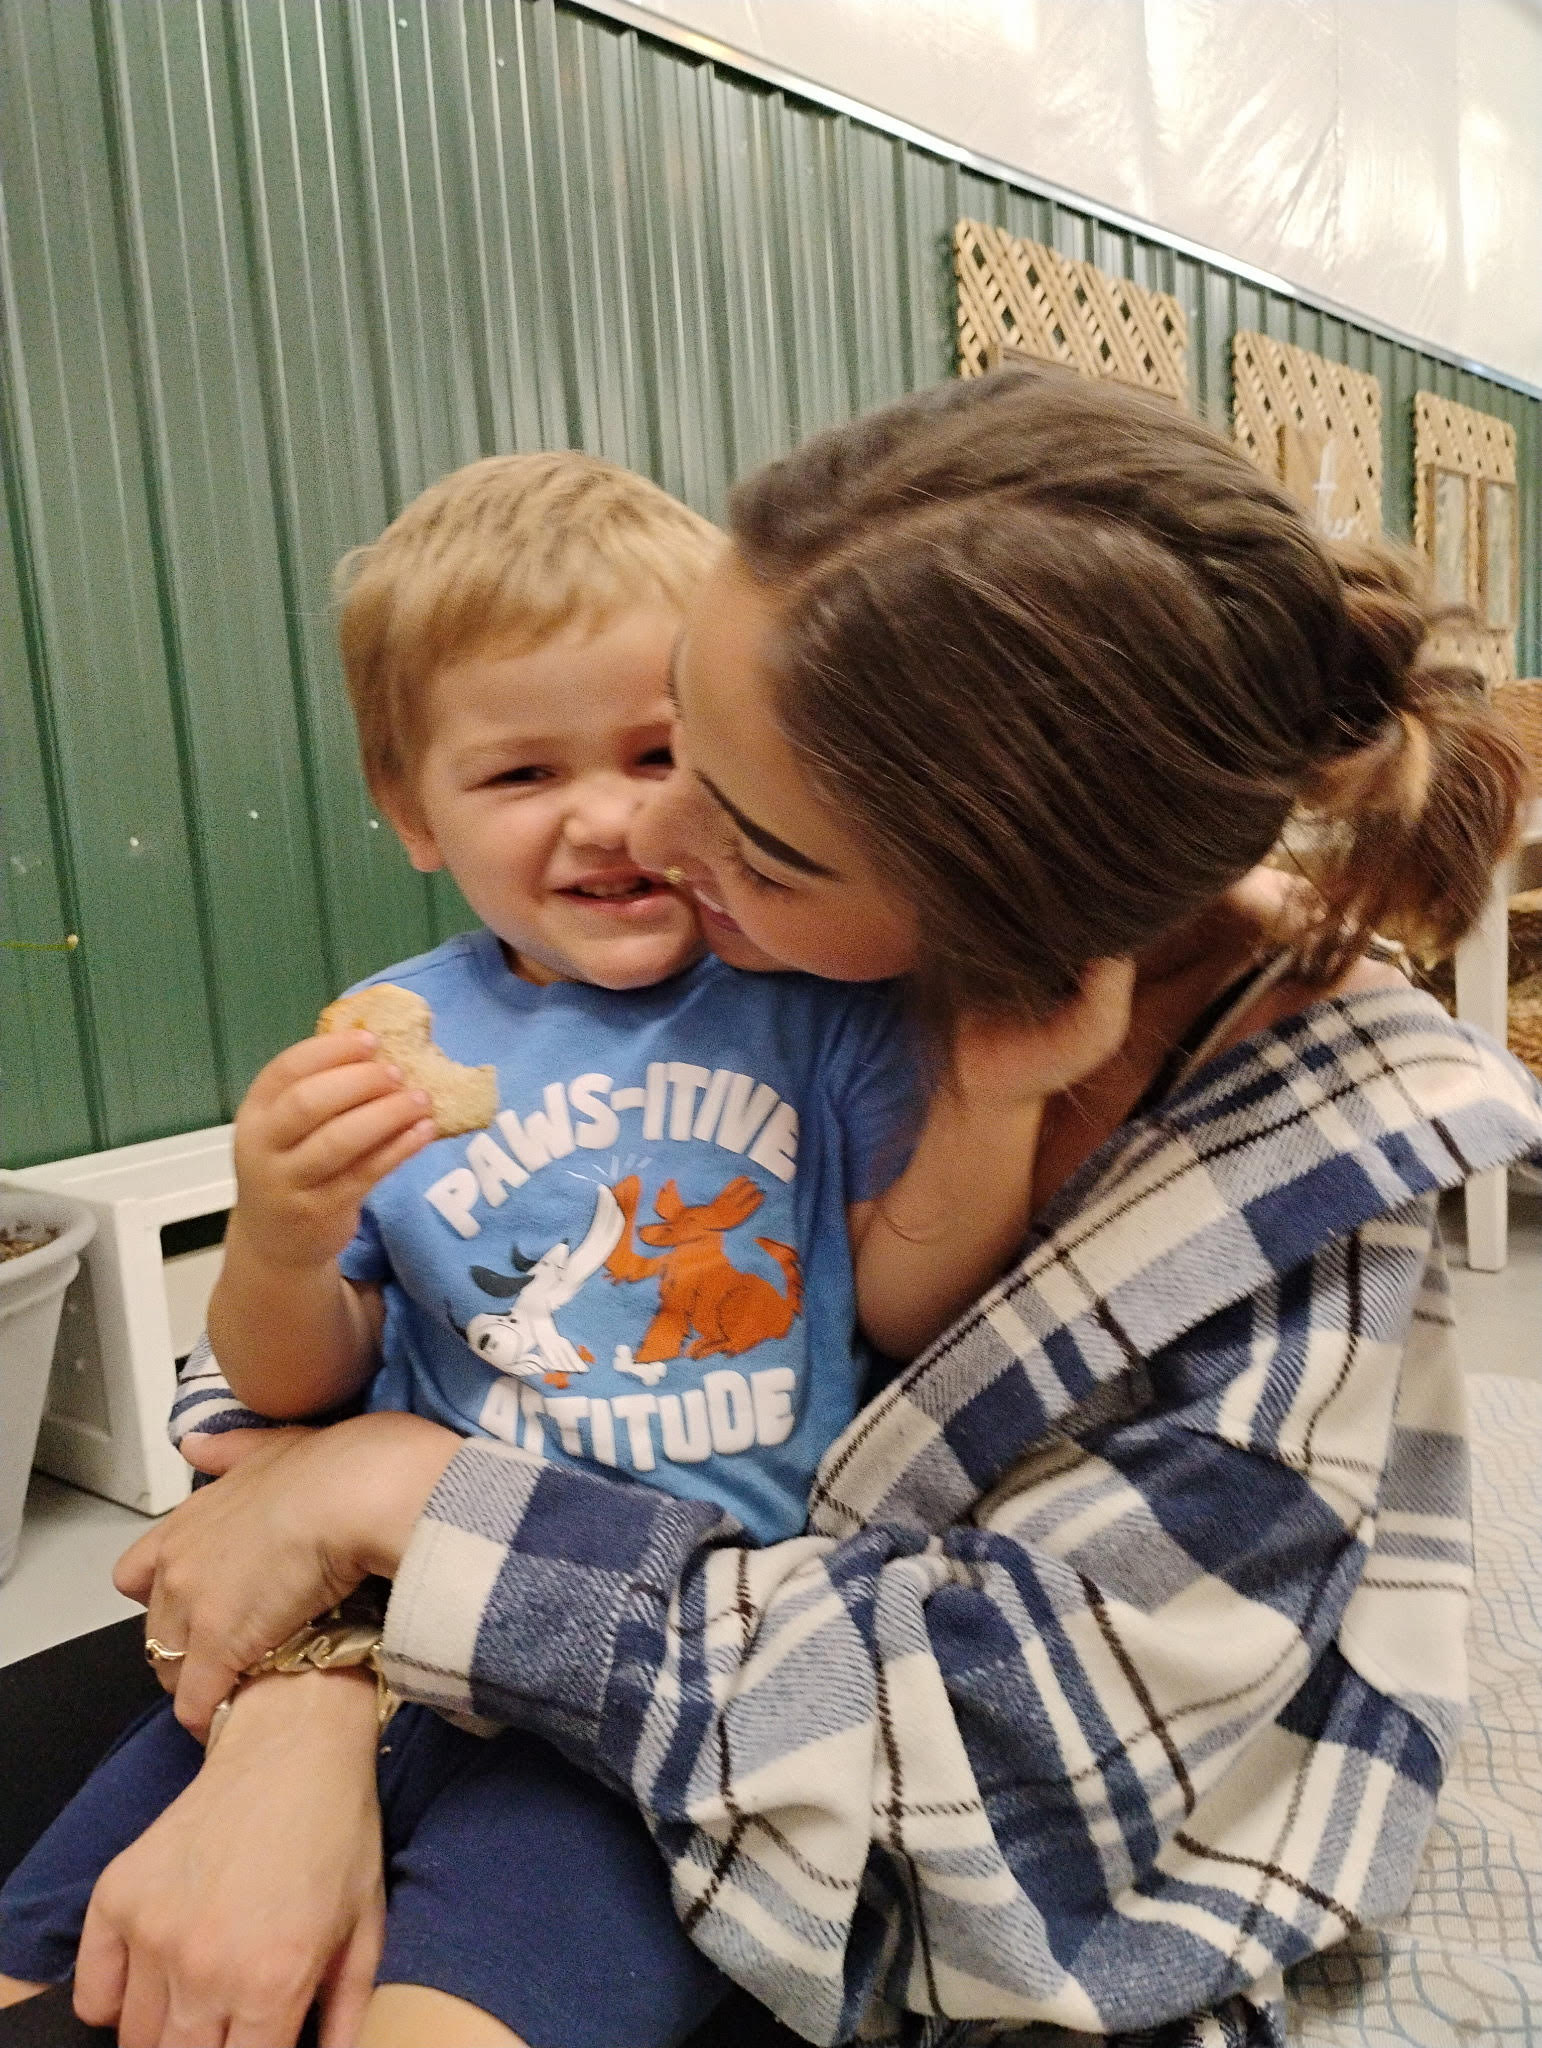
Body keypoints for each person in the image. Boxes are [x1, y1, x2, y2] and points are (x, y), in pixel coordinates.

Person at [23, 369, 1542, 2048]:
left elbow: (1004, 1736)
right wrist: (306, 1692)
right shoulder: (614, 978)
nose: (646, 834)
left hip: (713, 1757)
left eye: (739, 823)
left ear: (985, 916)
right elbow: (299, 1402)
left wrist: (393, 1498)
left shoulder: (1232, 1174)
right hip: (464, 1634)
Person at [0, 443, 1125, 2048]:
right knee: (52, 1952)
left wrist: (994, 1108)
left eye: (661, 753)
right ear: (410, 809)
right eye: (521, 775)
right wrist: (281, 1229)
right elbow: (295, 1377)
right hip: (372, 1619)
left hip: (643, 1679)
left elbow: (903, 1304)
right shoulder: (391, 1035)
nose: (607, 817)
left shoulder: (821, 1012)